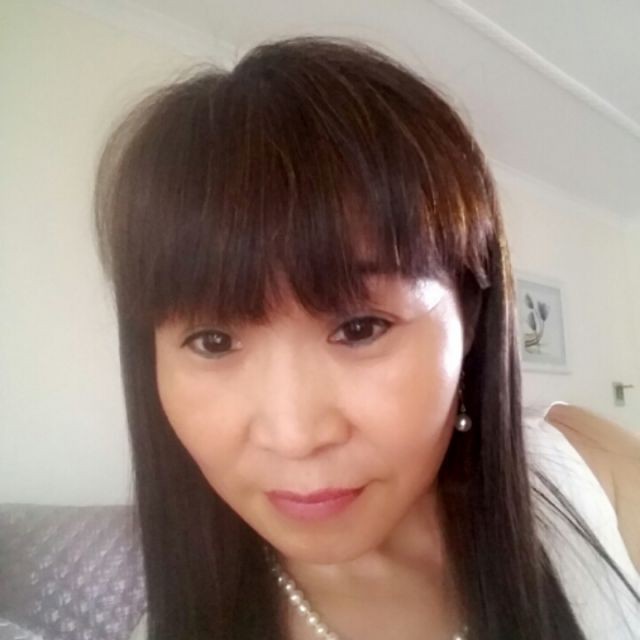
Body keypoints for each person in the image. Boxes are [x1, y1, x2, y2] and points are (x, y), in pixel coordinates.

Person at [93, 36, 640, 640]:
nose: (295, 436)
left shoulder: (585, 473)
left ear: (470, 318)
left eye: (360, 328)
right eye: (213, 342)